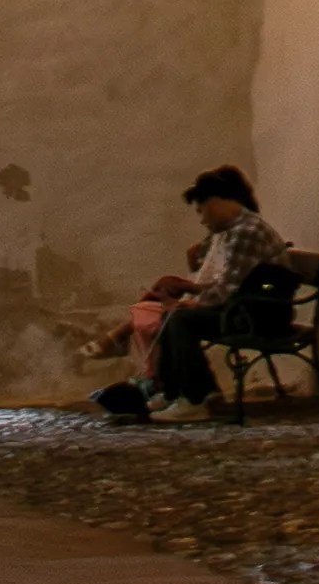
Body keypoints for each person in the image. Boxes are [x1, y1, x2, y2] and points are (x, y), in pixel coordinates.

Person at [89, 166, 289, 423]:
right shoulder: (233, 231)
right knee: (176, 316)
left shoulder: (246, 232)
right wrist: (188, 297)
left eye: (201, 210)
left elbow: (226, 290)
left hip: (261, 315)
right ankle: (176, 393)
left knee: (181, 319)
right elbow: (226, 284)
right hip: (246, 307)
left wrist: (190, 303)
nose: (202, 219)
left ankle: (194, 399)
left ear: (215, 202)